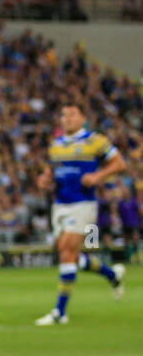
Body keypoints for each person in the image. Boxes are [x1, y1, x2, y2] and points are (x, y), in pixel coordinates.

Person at [33, 102, 126, 325]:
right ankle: (112, 275)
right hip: (60, 205)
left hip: (83, 203)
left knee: (66, 250)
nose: (68, 119)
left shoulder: (96, 140)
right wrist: (44, 180)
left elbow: (119, 163)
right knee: (70, 256)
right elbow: (50, 172)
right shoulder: (56, 145)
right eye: (64, 115)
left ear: (83, 118)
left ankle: (59, 312)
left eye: (72, 115)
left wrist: (97, 177)